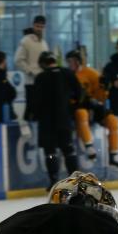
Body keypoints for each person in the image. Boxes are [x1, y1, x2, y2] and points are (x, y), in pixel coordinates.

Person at [66, 50, 118, 169]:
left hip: (92, 105)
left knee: (113, 121)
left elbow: (101, 96)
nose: (70, 64)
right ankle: (89, 147)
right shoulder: (67, 75)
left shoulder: (91, 73)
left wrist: (104, 87)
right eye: (68, 62)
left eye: (72, 61)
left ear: (78, 61)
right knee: (81, 113)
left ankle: (114, 155)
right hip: (76, 106)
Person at [32, 51, 81, 189]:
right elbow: (79, 92)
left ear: (42, 63)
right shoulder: (67, 73)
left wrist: (33, 115)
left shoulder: (40, 77)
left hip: (47, 122)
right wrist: (72, 108)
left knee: (51, 152)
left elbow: (36, 101)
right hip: (64, 120)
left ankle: (54, 180)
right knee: (68, 150)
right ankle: (75, 180)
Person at [14, 16, 49, 122]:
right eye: (38, 26)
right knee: (31, 110)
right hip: (31, 82)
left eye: (42, 27)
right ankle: (27, 133)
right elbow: (18, 60)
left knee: (40, 111)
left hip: (42, 81)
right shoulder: (26, 41)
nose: (39, 29)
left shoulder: (44, 43)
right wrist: (30, 71)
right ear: (33, 25)